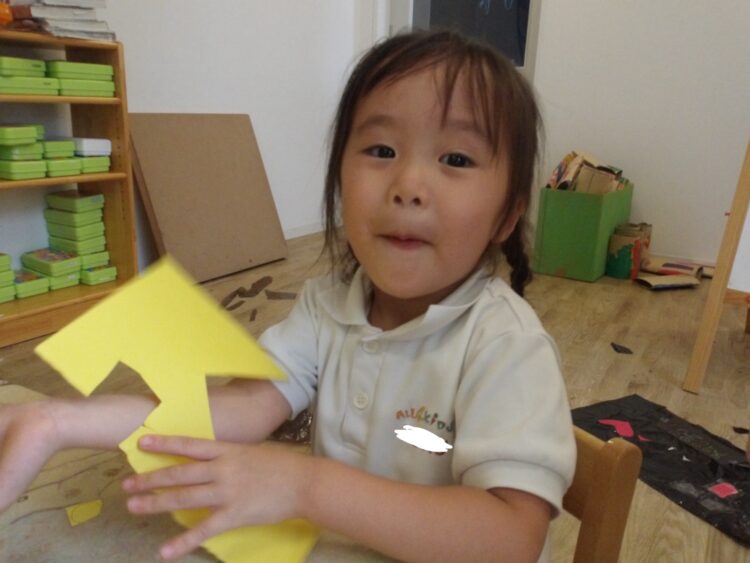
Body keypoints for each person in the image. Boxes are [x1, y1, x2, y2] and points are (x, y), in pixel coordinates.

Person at [0, 29, 576, 562]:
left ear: (507, 215)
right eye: (381, 151)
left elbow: (511, 539)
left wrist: (306, 486)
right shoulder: (328, 306)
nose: (408, 187)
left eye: (456, 159)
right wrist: (56, 421)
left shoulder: (507, 348)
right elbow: (240, 409)